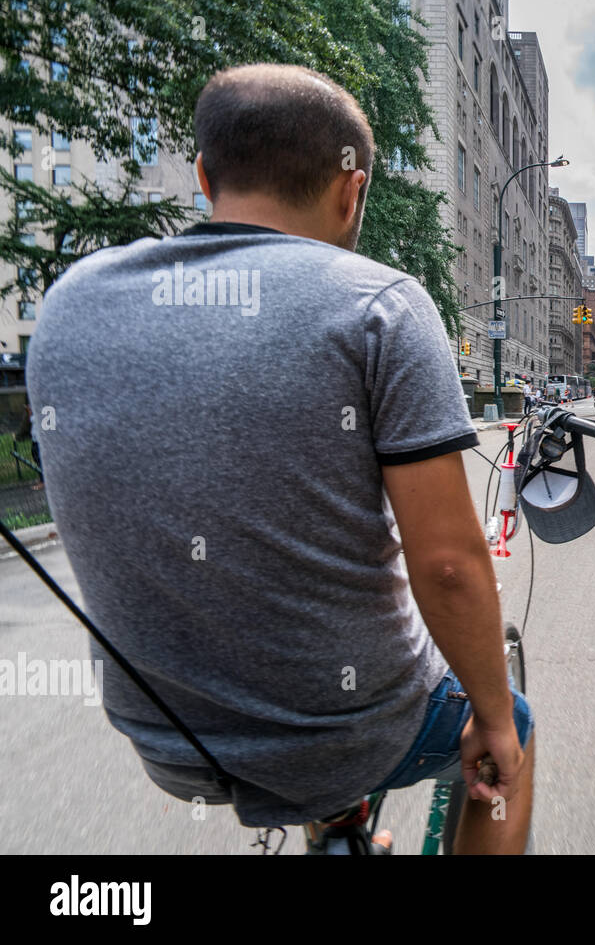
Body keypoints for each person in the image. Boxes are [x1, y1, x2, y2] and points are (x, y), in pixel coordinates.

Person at [25, 64, 533, 853]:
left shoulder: (70, 300)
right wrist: (494, 718)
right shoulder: (381, 306)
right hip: (349, 733)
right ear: (351, 189)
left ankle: (335, 819)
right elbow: (447, 567)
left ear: (204, 176)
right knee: (512, 736)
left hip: (165, 738)